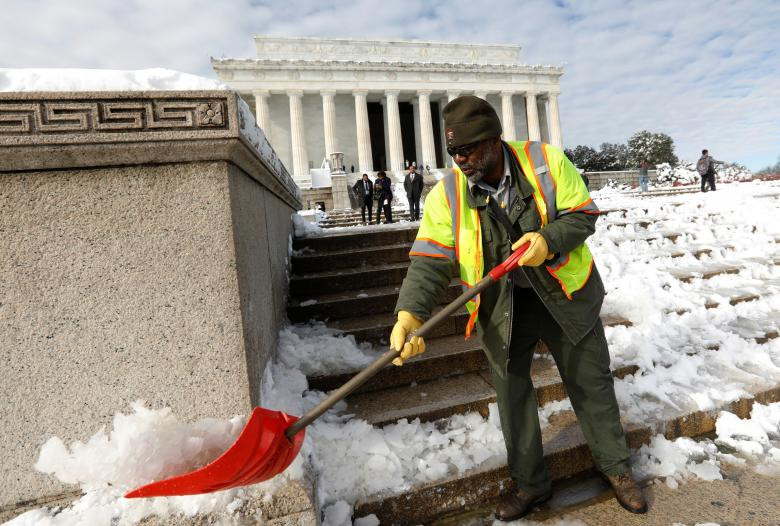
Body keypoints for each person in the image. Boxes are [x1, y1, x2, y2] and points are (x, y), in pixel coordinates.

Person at [389, 96, 647, 521]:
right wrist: (409, 315)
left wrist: (548, 240)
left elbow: (583, 214)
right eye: (453, 151)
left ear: (494, 140)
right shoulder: (447, 194)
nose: (460, 160)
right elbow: (430, 260)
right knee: (512, 396)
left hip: (565, 295)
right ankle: (530, 484)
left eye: (468, 149)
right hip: (501, 305)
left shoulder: (545, 161)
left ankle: (617, 469)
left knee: (591, 383)